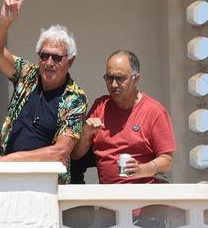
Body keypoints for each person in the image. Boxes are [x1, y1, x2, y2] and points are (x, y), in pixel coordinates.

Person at [0, 0, 88, 184]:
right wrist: (5, 20)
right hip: (4, 178)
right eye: (44, 55)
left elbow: (60, 151)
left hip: (44, 185)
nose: (49, 63)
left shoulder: (74, 98)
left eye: (57, 58)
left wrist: (9, 161)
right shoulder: (28, 74)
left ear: (71, 61)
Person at [72, 50, 175, 184]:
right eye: (109, 78)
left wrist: (141, 170)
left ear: (136, 78)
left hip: (144, 198)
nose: (113, 84)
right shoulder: (100, 106)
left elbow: (167, 161)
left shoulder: (154, 111)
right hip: (109, 200)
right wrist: (86, 133)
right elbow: (76, 155)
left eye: (120, 78)